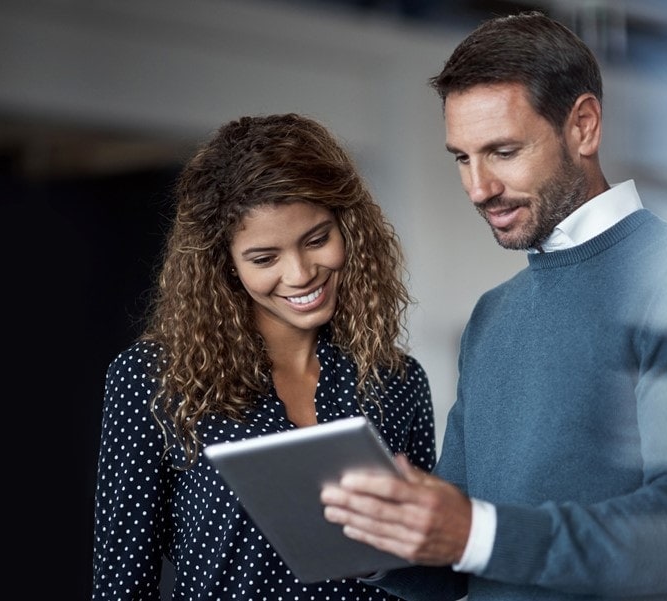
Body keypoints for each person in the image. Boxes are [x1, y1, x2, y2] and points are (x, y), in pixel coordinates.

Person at [320, 11, 667, 601]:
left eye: (503, 151)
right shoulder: (491, 317)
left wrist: (475, 532)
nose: (478, 187)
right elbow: (460, 561)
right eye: (462, 158)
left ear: (583, 126)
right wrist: (376, 543)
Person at [92, 113, 437, 600]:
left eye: (317, 239)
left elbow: (427, 578)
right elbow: (121, 581)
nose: (299, 274)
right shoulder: (154, 378)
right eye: (264, 258)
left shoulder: (397, 380)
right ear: (224, 266)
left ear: (350, 228)